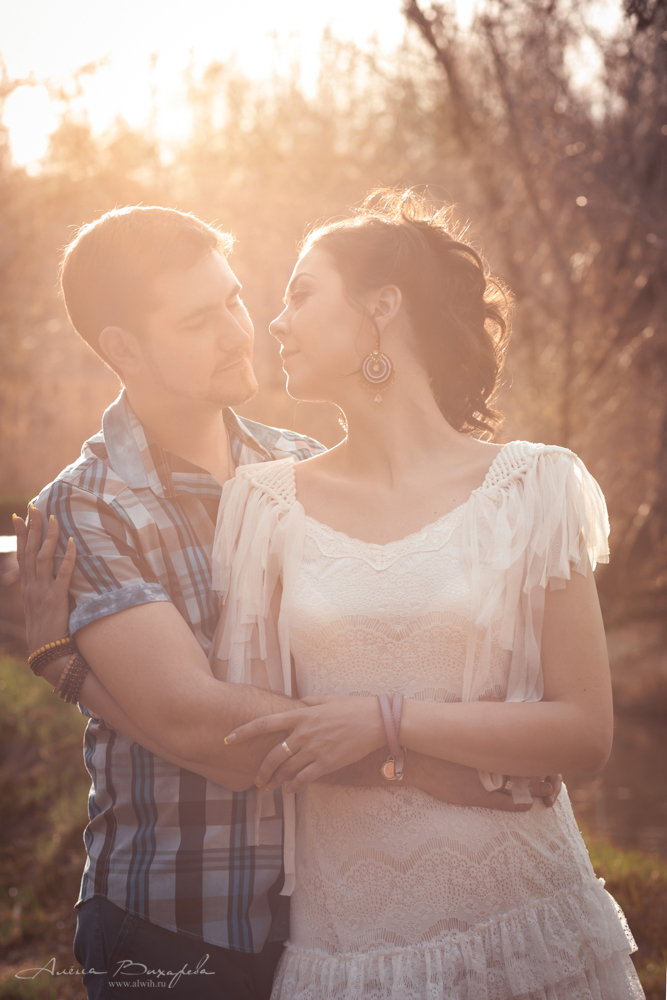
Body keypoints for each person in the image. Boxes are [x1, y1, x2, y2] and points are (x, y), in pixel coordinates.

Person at [14, 204, 560, 1000]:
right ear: (123, 348)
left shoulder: (300, 465)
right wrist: (418, 764)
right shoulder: (87, 505)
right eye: (199, 320)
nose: (239, 331)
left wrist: (67, 670)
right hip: (176, 920)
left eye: (234, 299)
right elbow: (197, 725)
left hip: (338, 914)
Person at [205, 190, 644, 999]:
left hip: (528, 926)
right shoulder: (263, 505)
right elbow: (258, 737)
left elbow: (584, 732)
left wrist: (388, 721)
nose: (276, 322)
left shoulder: (532, 486)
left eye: (301, 293)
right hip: (354, 948)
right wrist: (419, 765)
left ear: (382, 307)